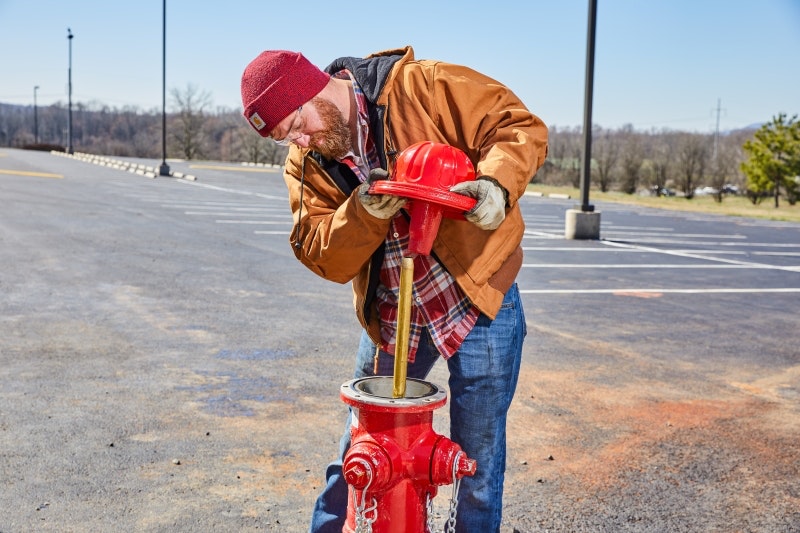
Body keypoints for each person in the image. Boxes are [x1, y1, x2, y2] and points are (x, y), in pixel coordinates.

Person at [240, 46, 548, 533]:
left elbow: (517, 127)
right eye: (284, 139)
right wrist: (361, 213)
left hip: (478, 294)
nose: (299, 141)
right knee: (358, 450)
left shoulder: (420, 87)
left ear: (311, 89)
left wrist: (497, 185)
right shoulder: (308, 162)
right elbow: (318, 250)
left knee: (478, 462)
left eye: (296, 124)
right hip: (392, 311)